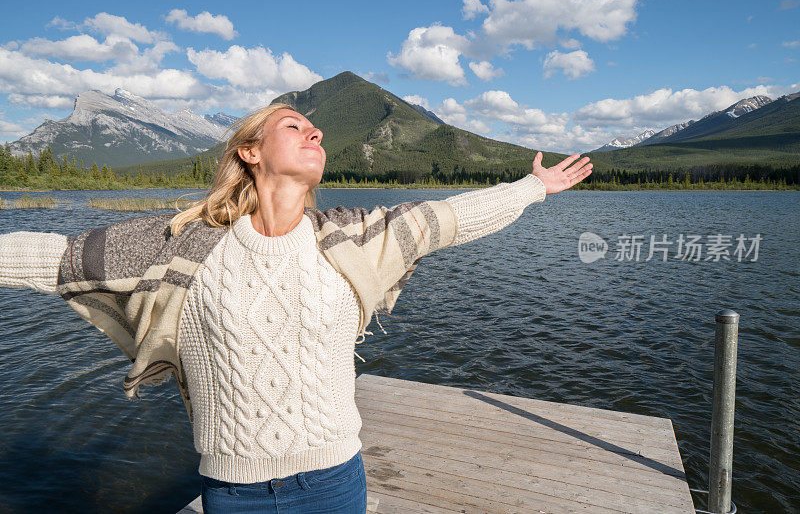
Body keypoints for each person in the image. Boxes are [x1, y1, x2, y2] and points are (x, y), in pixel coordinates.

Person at [0, 102, 592, 513]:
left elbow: (446, 221)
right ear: (251, 152)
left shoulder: (352, 239)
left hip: (336, 483)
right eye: (295, 125)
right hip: (232, 492)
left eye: (318, 132)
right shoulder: (185, 242)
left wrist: (533, 187)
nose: (316, 135)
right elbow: (60, 258)